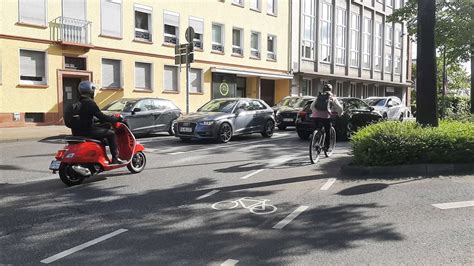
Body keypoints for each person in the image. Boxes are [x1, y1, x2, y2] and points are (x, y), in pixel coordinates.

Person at [72, 81, 126, 164]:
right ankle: (115, 158)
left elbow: (84, 116)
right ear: (91, 91)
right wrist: (116, 119)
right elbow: (103, 117)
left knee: (106, 126)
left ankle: (100, 155)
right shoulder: (90, 103)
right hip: (87, 131)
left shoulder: (77, 103)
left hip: (76, 132)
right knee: (111, 134)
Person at [310, 84, 344, 151]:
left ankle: (316, 141)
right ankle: (326, 147)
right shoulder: (331, 97)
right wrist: (340, 114)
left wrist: (314, 112)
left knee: (316, 129)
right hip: (325, 116)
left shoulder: (319, 96)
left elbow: (312, 106)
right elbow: (339, 108)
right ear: (331, 89)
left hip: (315, 116)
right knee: (327, 130)